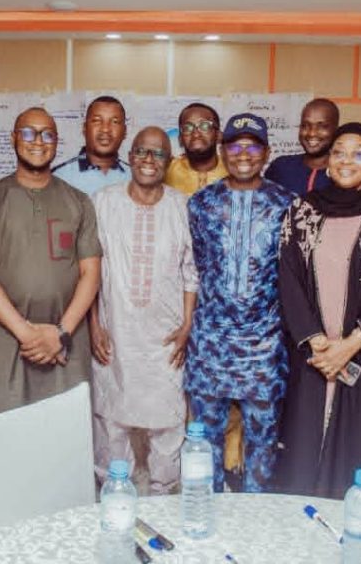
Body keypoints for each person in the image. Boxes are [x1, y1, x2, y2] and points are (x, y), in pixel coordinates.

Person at [274, 122, 361, 508]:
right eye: (338, 152)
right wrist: (319, 343)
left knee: (358, 465)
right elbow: (288, 278)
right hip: (315, 358)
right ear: (327, 161)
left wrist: (351, 344)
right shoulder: (301, 211)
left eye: (358, 153)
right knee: (303, 455)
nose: (346, 160)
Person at [0, 107, 101, 413]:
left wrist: (60, 334)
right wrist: (29, 335)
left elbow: (91, 274)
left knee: (64, 432)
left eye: (47, 134)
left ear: (56, 142)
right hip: (7, 344)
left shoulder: (78, 201)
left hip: (66, 346)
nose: (38, 141)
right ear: (14, 138)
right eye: (28, 132)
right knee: (8, 434)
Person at [185, 113, 292, 493]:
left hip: (264, 348)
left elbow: (292, 274)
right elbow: (197, 266)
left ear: (267, 152)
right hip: (210, 345)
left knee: (263, 445)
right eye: (234, 145)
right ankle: (206, 512)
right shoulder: (201, 204)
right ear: (222, 150)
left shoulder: (288, 205)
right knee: (204, 441)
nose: (243, 153)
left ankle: (254, 517)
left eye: (252, 146)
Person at [90, 127, 198, 494]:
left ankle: (162, 494)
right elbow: (88, 269)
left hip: (166, 335)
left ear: (169, 161)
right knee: (111, 419)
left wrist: (187, 325)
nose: (149, 160)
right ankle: (114, 492)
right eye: (141, 151)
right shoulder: (103, 202)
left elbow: (191, 273)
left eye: (158, 153)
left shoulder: (182, 207)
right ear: (130, 155)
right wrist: (94, 324)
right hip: (115, 331)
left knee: (168, 420)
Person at [164, 102, 242, 486]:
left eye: (204, 125)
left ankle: (232, 460)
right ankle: (189, 466)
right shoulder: (167, 171)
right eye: (187, 126)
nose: (196, 132)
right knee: (187, 386)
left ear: (219, 133)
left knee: (231, 382)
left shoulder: (237, 170)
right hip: (177, 294)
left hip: (228, 300)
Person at [52, 95, 129, 196]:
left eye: (115, 122)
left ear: (125, 131)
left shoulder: (136, 177)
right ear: (84, 128)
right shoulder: (59, 177)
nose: (105, 129)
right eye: (97, 121)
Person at [265, 98, 340, 196]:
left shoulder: (343, 172)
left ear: (336, 130)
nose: (312, 133)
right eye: (305, 125)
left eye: (322, 126)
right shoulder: (281, 167)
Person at [165, 103, 229, 196]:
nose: (195, 134)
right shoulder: (166, 171)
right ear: (180, 139)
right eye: (187, 128)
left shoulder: (232, 170)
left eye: (204, 126)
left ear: (219, 135)